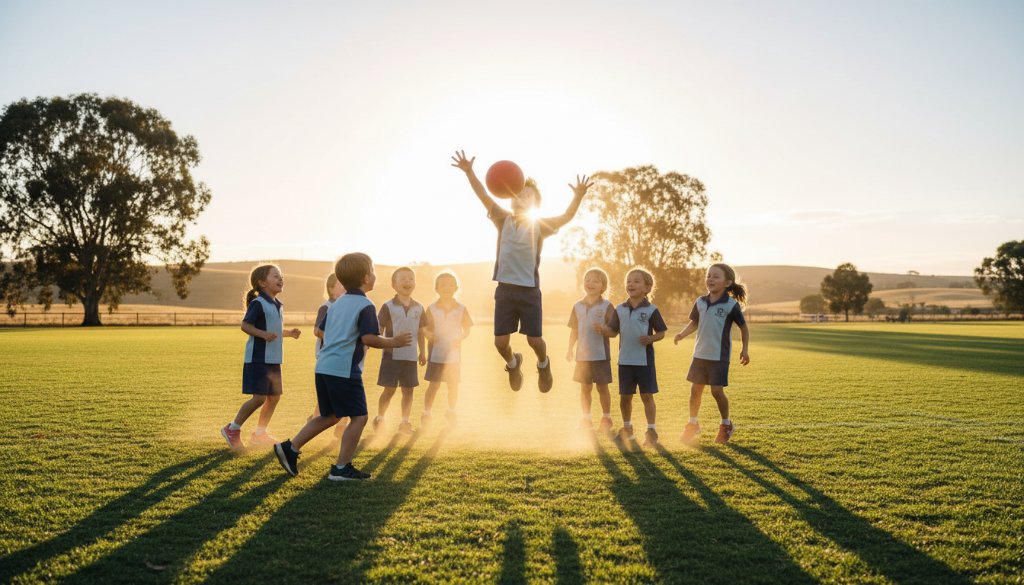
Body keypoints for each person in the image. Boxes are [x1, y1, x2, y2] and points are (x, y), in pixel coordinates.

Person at [450, 150, 591, 393]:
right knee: (500, 342)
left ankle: (543, 364)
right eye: (516, 195)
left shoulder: (540, 226)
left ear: (536, 204)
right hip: (504, 290)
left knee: (534, 340)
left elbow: (567, 216)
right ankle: (513, 364)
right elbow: (483, 194)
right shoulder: (501, 219)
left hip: (529, 291)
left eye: (526, 197)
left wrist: (578, 195)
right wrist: (470, 172)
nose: (519, 199)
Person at [273, 253, 411, 481]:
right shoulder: (366, 305)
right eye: (374, 271)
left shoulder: (336, 304)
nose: (375, 275)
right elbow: (369, 338)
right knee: (359, 417)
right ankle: (341, 468)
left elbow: (325, 332)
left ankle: (290, 448)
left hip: (324, 366)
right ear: (367, 278)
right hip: (343, 369)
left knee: (330, 415)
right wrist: (393, 342)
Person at [221, 264, 301, 449]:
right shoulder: (258, 303)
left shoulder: (277, 305)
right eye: (275, 276)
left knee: (274, 397)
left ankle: (259, 434)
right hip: (258, 358)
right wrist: (263, 335)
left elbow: (275, 330)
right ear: (262, 282)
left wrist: (289, 333)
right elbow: (245, 326)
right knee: (259, 398)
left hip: (273, 359)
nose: (281, 279)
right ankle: (232, 429)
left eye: (281, 276)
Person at [673, 263, 750, 445]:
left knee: (716, 391)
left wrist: (744, 349)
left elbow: (744, 328)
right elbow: (694, 323)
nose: (710, 279)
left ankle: (726, 425)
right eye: (708, 276)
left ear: (727, 282)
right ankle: (693, 424)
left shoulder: (731, 305)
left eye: (716, 276)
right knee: (695, 390)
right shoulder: (700, 302)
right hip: (699, 355)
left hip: (719, 357)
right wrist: (682, 334)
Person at [597, 267, 667, 447]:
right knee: (625, 398)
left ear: (647, 288)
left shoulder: (651, 310)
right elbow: (612, 332)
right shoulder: (619, 309)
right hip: (625, 362)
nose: (631, 284)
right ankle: (627, 429)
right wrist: (602, 329)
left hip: (644, 363)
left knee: (647, 396)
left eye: (636, 281)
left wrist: (650, 338)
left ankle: (651, 431)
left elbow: (662, 332)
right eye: (629, 281)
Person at [373, 267, 427, 435]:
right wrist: (378, 342)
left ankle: (405, 423)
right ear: (394, 285)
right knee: (389, 390)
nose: (407, 282)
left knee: (408, 390)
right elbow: (379, 329)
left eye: (411, 279)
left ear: (415, 283)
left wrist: (423, 352)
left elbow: (421, 332)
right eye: (403, 279)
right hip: (391, 356)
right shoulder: (387, 306)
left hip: (410, 357)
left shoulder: (419, 307)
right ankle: (380, 418)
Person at [421, 272, 473, 428]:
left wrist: (461, 337)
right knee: (434, 385)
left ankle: (451, 411)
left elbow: (467, 329)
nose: (447, 288)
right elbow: (424, 328)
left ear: (456, 288)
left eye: (450, 284)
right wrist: (429, 335)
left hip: (454, 356)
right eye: (443, 285)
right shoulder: (431, 308)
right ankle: (427, 412)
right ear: (436, 289)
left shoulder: (461, 308)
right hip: (436, 354)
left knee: (453, 385)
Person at [566, 268, 615, 432]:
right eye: (587, 279)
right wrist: (569, 349)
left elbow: (614, 330)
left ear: (603, 286)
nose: (590, 283)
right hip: (582, 357)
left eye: (595, 280)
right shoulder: (577, 306)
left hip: (601, 355)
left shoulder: (608, 306)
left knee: (602, 388)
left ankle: (606, 418)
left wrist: (604, 329)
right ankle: (586, 419)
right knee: (585, 388)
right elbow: (574, 330)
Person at [310, 272, 348, 438]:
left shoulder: (347, 307)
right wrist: (338, 339)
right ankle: (314, 421)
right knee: (333, 395)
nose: (346, 286)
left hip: (342, 358)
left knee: (340, 393)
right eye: (341, 283)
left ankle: (340, 426)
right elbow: (318, 331)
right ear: (331, 289)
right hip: (328, 357)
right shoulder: (326, 307)